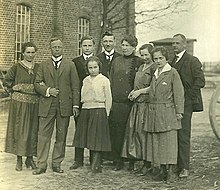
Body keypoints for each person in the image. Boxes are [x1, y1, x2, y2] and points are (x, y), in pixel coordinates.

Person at [33, 37, 80, 175]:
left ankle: (56, 163)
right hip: (47, 105)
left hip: (64, 106)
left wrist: (75, 105)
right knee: (43, 136)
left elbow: (75, 86)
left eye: (59, 47)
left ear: (62, 48)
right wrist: (48, 90)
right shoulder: (43, 65)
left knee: (61, 136)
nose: (57, 49)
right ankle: (41, 165)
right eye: (54, 47)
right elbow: (37, 83)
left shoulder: (70, 65)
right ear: (50, 49)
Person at [146, 46, 184, 182]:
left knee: (169, 142)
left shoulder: (172, 72)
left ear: (166, 58)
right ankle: (161, 170)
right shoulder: (155, 72)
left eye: (160, 58)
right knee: (157, 142)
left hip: (168, 113)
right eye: (155, 58)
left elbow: (179, 93)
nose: (158, 61)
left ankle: (171, 172)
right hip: (155, 113)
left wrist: (179, 111)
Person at [171, 33, 205, 178]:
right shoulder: (172, 62)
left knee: (183, 134)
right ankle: (176, 164)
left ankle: (185, 167)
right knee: (174, 134)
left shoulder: (192, 61)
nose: (174, 46)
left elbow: (200, 81)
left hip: (186, 104)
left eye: (177, 43)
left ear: (185, 44)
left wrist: (187, 97)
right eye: (173, 43)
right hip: (172, 103)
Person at [109, 34, 145, 171]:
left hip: (131, 103)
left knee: (131, 132)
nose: (124, 48)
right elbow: (111, 79)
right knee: (117, 132)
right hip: (117, 103)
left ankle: (132, 160)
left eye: (127, 45)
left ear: (134, 47)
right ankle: (118, 160)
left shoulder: (139, 62)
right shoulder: (116, 61)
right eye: (123, 45)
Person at [121, 44, 157, 175]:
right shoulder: (141, 66)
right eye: (142, 54)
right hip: (137, 104)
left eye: (146, 54)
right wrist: (133, 91)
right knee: (133, 132)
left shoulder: (154, 67)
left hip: (146, 104)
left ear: (152, 54)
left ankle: (148, 164)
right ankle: (136, 159)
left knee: (144, 133)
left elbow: (154, 85)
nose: (144, 57)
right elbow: (138, 83)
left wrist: (140, 92)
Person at [3, 42, 39, 171]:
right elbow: (7, 82)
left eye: (32, 52)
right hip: (19, 105)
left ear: (35, 53)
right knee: (20, 130)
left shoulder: (38, 67)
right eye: (28, 52)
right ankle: (19, 159)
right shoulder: (16, 67)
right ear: (23, 53)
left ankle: (30, 158)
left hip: (35, 104)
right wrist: (15, 89)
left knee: (33, 130)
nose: (30, 55)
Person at [73, 56, 112, 173]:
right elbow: (82, 95)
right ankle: (80, 161)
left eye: (95, 67)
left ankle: (96, 164)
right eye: (90, 68)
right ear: (87, 68)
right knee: (86, 136)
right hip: (86, 109)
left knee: (96, 138)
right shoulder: (85, 80)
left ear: (99, 67)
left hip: (99, 109)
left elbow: (108, 97)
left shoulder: (104, 80)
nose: (93, 70)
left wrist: (107, 112)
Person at [69, 36, 95, 170]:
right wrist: (75, 104)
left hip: (94, 102)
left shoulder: (97, 61)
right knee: (79, 130)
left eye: (89, 45)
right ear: (81, 47)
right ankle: (78, 160)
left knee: (92, 130)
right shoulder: (75, 62)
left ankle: (93, 160)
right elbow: (74, 83)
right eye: (84, 46)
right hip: (80, 101)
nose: (87, 48)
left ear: (93, 47)